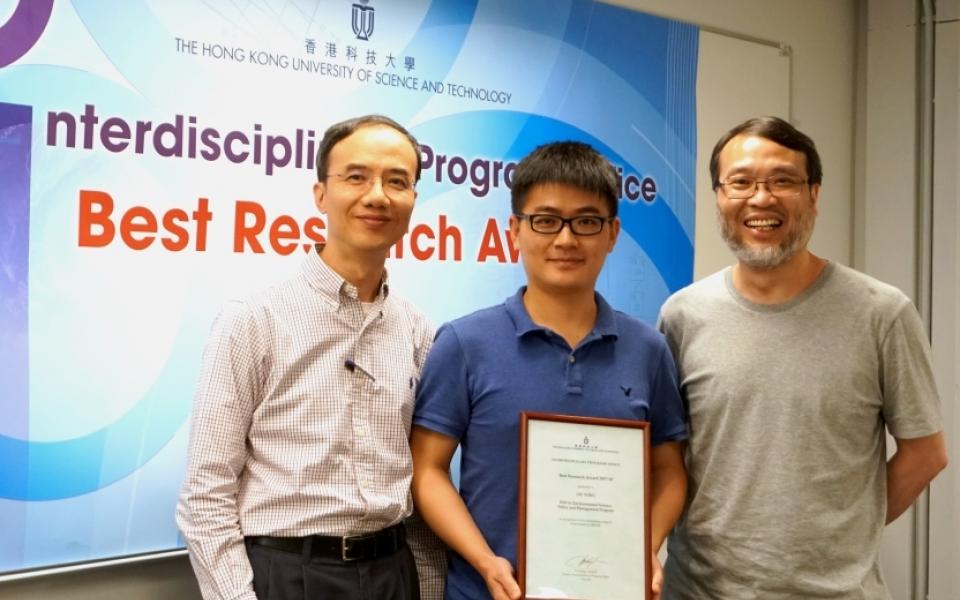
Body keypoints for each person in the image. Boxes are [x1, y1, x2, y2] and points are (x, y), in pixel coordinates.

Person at [658, 116, 948, 599]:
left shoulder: (882, 313)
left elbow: (926, 453)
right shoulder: (682, 315)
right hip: (699, 591)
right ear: (718, 196)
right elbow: (668, 459)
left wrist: (844, 536)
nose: (761, 198)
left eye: (783, 181)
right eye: (741, 182)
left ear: (814, 194)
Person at [176, 114, 444, 600]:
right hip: (287, 573)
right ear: (321, 194)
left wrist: (428, 587)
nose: (378, 195)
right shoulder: (253, 320)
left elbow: (422, 486)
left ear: (412, 201)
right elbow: (205, 495)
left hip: (393, 571)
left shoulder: (419, 331)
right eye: (356, 177)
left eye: (397, 181)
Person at [411, 141, 689, 600]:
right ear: (515, 230)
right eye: (545, 221)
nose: (565, 239)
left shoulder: (648, 349)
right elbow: (428, 470)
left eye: (586, 221)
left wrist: (644, 547)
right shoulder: (464, 343)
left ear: (612, 233)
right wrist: (484, 560)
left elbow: (670, 471)